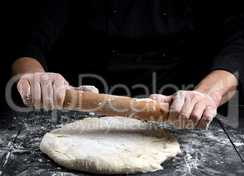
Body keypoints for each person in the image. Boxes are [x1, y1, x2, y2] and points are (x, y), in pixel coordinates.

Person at [11, 0, 242, 129]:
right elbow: (30, 37)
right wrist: (34, 76)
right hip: (76, 110)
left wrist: (207, 95)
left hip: (173, 112)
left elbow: (238, 43)